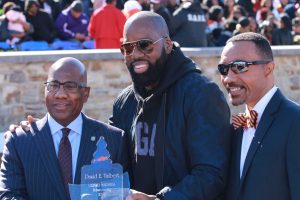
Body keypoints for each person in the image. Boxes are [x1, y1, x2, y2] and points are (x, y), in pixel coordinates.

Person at [109, 11, 231, 199]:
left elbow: (211, 174)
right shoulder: (124, 102)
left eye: (144, 45)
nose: (135, 54)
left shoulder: (201, 94)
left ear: (167, 44)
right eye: (127, 47)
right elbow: (114, 165)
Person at [0, 57, 128, 200]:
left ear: (85, 93)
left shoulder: (113, 140)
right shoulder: (19, 141)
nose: (60, 94)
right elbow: (9, 195)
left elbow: (122, 195)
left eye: (70, 86)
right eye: (53, 85)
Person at [217, 32, 300, 200]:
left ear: (268, 68)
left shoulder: (295, 122)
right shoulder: (236, 127)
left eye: (240, 66)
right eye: (224, 69)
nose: (229, 78)